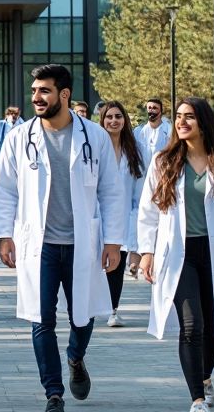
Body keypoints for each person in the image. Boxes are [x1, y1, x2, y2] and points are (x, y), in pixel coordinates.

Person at [0, 66, 124, 412]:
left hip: (83, 242)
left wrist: (113, 241)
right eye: (34, 90)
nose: (36, 97)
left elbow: (112, 192)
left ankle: (76, 357)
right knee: (42, 318)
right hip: (39, 244)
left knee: (84, 314)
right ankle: (53, 391)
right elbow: (4, 189)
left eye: (44, 91)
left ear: (64, 95)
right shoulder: (19, 137)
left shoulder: (93, 136)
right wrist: (4, 234)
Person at [137, 98, 214, 412]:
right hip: (179, 255)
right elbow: (148, 212)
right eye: (178, 117)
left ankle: (204, 375)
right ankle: (197, 398)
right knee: (192, 325)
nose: (181, 122)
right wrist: (146, 252)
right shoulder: (163, 162)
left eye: (189, 117)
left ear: (203, 123)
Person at [98, 101, 146, 327]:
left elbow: (140, 193)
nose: (113, 121)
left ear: (124, 121)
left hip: (125, 218)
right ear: (102, 120)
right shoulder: (95, 146)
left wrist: (138, 240)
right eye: (109, 117)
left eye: (118, 117)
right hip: (97, 216)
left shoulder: (136, 150)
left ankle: (113, 309)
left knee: (115, 266)